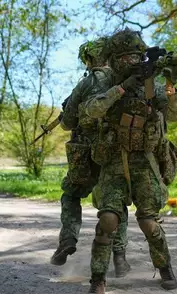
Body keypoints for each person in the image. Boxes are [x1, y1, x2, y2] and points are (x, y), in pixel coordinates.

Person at [80, 28, 177, 294]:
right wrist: (124, 86)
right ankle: (98, 280)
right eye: (125, 57)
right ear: (115, 59)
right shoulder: (106, 83)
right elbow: (91, 109)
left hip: (144, 160)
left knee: (150, 222)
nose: (131, 62)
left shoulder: (151, 85)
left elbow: (176, 116)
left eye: (135, 57)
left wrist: (171, 90)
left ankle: (165, 268)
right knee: (108, 220)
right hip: (114, 160)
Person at [50, 37, 131, 278]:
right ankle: (119, 257)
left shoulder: (88, 82)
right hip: (116, 152)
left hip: (85, 153)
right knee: (115, 203)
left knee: (72, 194)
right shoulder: (125, 80)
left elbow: (67, 123)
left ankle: (67, 240)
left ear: (90, 59)